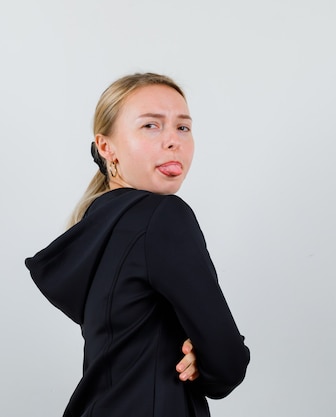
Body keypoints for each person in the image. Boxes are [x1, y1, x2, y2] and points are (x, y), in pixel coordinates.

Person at [25, 73, 250, 417]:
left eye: (183, 127)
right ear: (105, 147)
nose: (173, 141)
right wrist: (207, 357)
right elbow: (227, 363)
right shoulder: (163, 216)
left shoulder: (98, 224)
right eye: (151, 126)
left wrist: (203, 354)